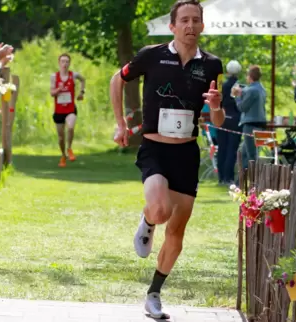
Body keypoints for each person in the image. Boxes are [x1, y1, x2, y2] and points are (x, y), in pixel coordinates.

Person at [109, 0, 224, 319]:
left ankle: (154, 294)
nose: (190, 26)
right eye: (184, 20)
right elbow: (117, 79)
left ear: (202, 26)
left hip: (187, 151)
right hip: (155, 147)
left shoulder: (212, 65)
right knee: (160, 210)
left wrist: (215, 105)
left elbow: (217, 120)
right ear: (172, 26)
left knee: (177, 230)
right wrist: (121, 124)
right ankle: (147, 222)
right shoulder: (152, 55)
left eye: (196, 20)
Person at [50, 53, 85, 167]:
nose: (65, 64)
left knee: (70, 127)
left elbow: (83, 79)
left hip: (70, 109)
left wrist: (81, 92)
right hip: (59, 111)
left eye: (67, 61)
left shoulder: (73, 75)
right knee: (61, 137)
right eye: (62, 61)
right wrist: (58, 90)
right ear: (59, 63)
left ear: (69, 63)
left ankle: (69, 148)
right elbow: (52, 93)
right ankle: (63, 155)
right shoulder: (54, 77)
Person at [232, 65, 267, 170]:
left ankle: (254, 180)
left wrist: (237, 96)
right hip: (259, 124)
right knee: (243, 153)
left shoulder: (251, 90)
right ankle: (241, 181)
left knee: (251, 155)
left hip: (251, 125)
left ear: (250, 76)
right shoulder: (261, 88)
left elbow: (242, 107)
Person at [215, 60, 242, 185]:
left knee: (222, 148)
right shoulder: (239, 87)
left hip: (223, 117)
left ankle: (221, 176)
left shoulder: (222, 86)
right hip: (235, 119)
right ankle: (228, 176)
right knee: (232, 149)